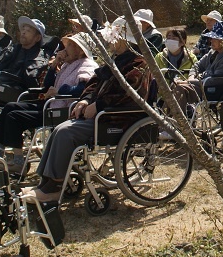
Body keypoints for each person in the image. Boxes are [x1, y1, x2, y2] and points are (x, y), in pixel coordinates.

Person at [27, 17, 150, 203]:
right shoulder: (115, 61)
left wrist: (99, 105)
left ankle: (55, 186)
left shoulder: (139, 64)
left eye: (114, 37)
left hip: (116, 118)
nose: (110, 41)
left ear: (124, 39)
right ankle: (46, 183)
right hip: (100, 115)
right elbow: (93, 82)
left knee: (65, 132)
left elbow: (130, 93)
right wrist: (85, 100)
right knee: (60, 129)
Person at [0, 33, 97, 172]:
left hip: (62, 110)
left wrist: (59, 92)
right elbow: (47, 86)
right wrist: (54, 65)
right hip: (50, 103)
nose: (65, 48)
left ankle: (18, 162)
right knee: (10, 107)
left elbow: (82, 89)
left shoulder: (87, 65)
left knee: (14, 117)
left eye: (70, 45)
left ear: (80, 50)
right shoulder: (67, 64)